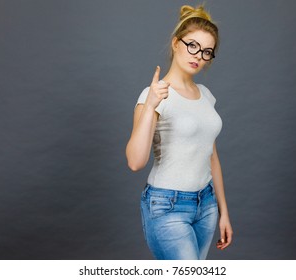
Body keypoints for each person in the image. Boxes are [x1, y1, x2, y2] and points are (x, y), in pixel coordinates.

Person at [125, 4, 233, 260]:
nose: (199, 56)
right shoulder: (153, 94)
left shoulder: (206, 96)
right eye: (192, 45)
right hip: (167, 207)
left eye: (207, 51)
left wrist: (224, 212)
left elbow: (212, 157)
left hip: (206, 205)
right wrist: (151, 105)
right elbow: (135, 161)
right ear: (176, 43)